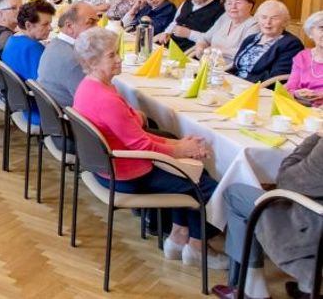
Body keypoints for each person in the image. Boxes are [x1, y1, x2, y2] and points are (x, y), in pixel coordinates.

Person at [71, 27, 227, 269]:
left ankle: (178, 236)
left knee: (189, 168)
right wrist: (182, 150)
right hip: (124, 173)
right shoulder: (105, 98)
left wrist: (181, 144)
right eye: (112, 55)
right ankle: (196, 247)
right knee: (205, 185)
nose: (119, 59)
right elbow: (141, 144)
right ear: (92, 62)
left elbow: (135, 132)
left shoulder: (91, 86)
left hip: (110, 165)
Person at [213, 133, 323, 299]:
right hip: (315, 214)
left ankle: (253, 290)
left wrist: (315, 137)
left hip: (311, 223)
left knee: (235, 194)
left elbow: (286, 180)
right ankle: (308, 286)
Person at [37, 1, 99, 109]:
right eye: (91, 22)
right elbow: (92, 103)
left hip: (53, 115)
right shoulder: (74, 60)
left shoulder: (54, 43)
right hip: (69, 121)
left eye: (97, 22)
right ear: (69, 26)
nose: (97, 28)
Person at [2, 0, 56, 123]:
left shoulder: (12, 39)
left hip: (19, 101)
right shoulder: (34, 48)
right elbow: (47, 87)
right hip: (37, 110)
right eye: (45, 24)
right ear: (28, 25)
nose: (51, 28)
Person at [230, 0, 303, 83]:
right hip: (236, 83)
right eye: (264, 17)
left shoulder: (291, 44)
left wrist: (245, 84)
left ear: (284, 21)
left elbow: (278, 77)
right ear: (258, 19)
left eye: (274, 18)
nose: (268, 22)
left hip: (259, 88)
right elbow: (235, 66)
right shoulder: (251, 39)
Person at [157, 0, 224, 52]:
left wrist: (189, 34)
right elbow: (175, 22)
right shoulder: (188, 1)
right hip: (170, 46)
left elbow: (215, 41)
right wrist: (166, 32)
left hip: (191, 53)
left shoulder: (222, 9)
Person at [189, 0, 257, 63]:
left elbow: (244, 52)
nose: (233, 7)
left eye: (238, 3)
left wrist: (216, 50)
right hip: (207, 63)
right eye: (229, 3)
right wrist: (200, 46)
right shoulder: (225, 17)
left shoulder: (254, 25)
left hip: (228, 69)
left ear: (250, 6)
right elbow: (205, 38)